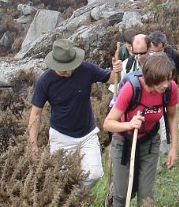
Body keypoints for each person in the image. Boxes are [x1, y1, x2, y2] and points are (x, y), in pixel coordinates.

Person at [27, 38, 122, 193]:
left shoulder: (86, 69)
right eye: (64, 69)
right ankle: (66, 202)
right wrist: (33, 145)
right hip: (61, 136)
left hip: (88, 133)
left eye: (71, 67)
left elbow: (112, 79)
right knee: (60, 181)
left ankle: (75, 197)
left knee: (95, 174)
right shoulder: (44, 81)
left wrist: (117, 69)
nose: (68, 72)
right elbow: (35, 114)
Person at [102, 52, 179, 207]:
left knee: (146, 197)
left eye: (168, 79)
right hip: (124, 141)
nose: (166, 85)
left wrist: (173, 148)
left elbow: (172, 116)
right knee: (122, 197)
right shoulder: (132, 89)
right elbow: (108, 124)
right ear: (151, 77)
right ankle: (113, 195)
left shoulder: (170, 89)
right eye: (162, 80)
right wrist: (129, 124)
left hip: (149, 142)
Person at [146, 30, 179, 110]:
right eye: (152, 52)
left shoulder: (173, 54)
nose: (156, 55)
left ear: (164, 46)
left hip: (168, 92)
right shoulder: (145, 56)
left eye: (159, 52)